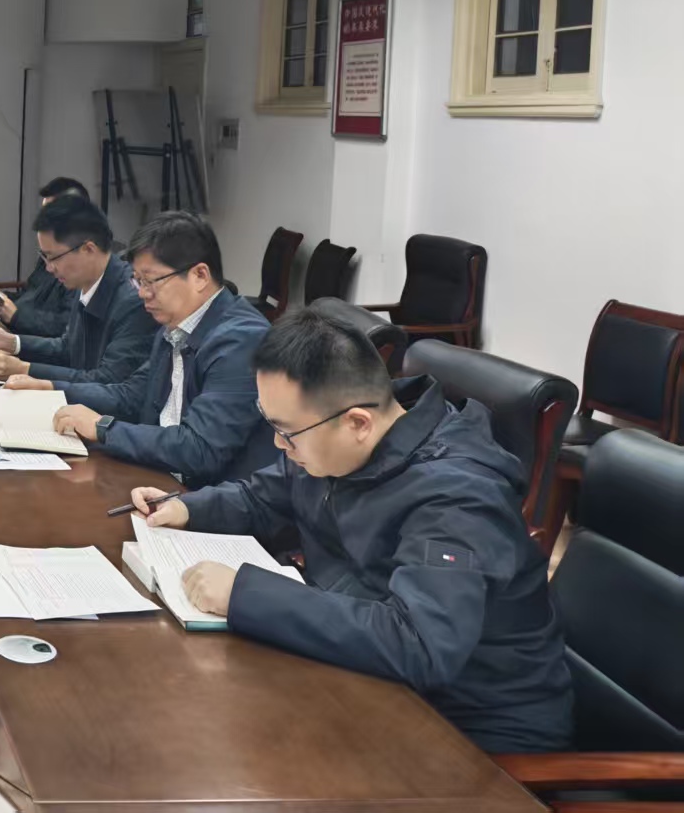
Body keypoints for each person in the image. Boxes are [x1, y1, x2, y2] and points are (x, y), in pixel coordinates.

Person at [131, 307, 573, 754]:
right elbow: (265, 496)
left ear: (358, 423)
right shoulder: (336, 437)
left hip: (470, 730)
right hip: (365, 677)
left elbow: (420, 644)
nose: (280, 445)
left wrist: (243, 594)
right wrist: (185, 507)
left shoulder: (458, 498)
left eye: (287, 433)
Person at [50, 211, 271, 486]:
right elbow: (132, 396)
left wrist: (103, 428)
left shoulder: (241, 341)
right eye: (137, 281)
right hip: (158, 479)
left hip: (206, 497)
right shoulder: (175, 326)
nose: (142, 293)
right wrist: (51, 389)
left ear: (200, 275)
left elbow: (201, 449)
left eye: (151, 281)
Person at [0, 196, 153, 387]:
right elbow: (68, 349)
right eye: (44, 257)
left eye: (53, 257)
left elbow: (107, 381)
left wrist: (26, 369)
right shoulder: (87, 279)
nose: (49, 268)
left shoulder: (134, 301)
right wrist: (12, 343)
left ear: (88, 249)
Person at [0, 176, 88, 339]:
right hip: (18, 333)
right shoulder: (50, 251)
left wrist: (17, 317)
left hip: (35, 343)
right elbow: (30, 295)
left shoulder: (85, 264)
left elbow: (65, 326)